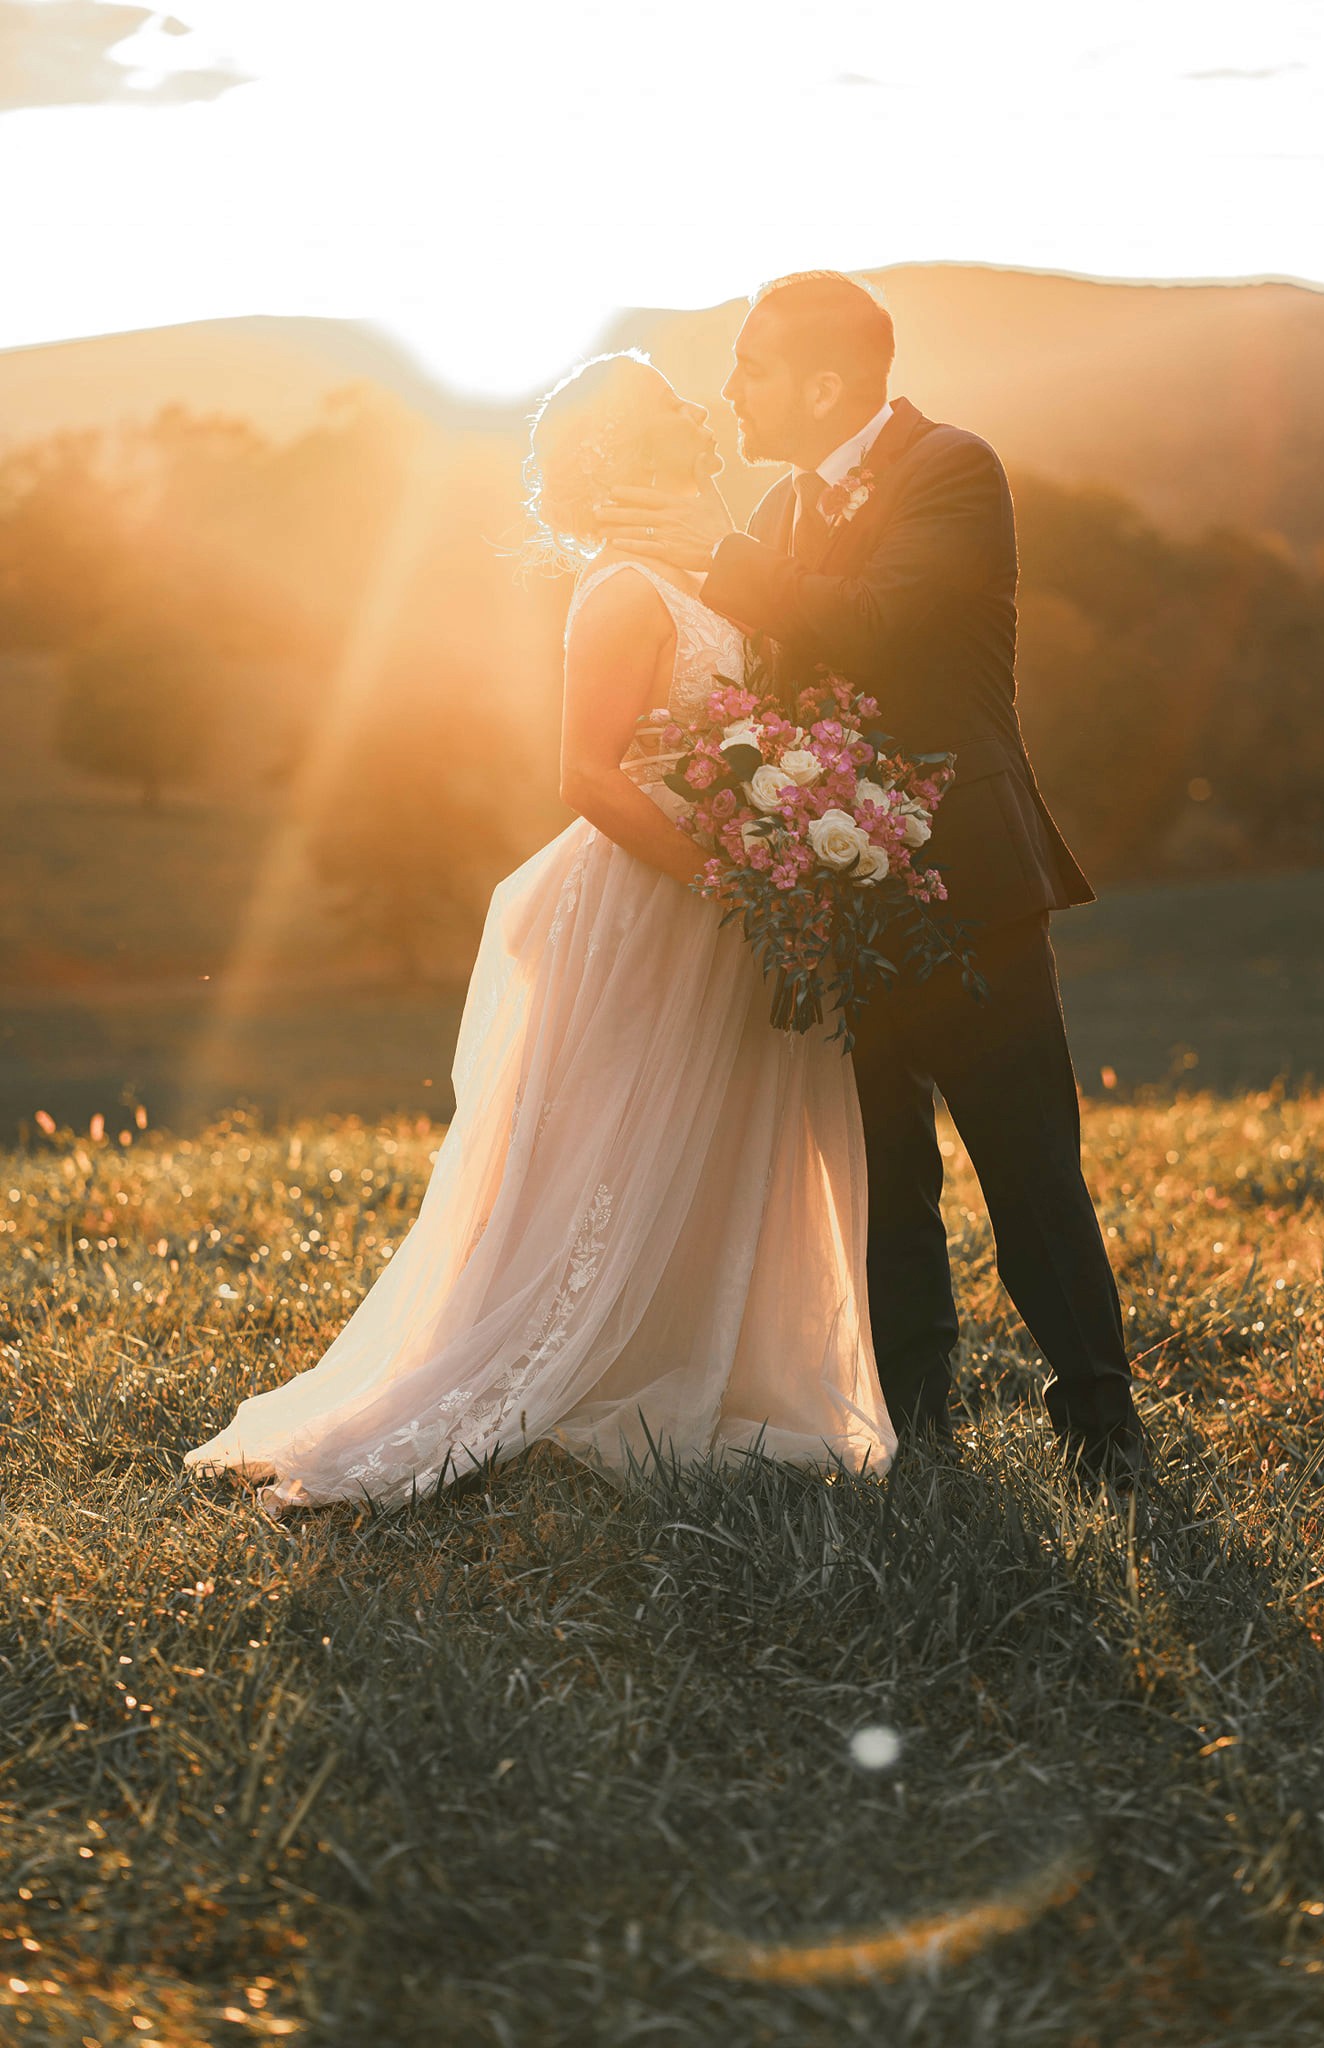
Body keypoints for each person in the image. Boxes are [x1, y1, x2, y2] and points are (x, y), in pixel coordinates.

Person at [184, 348, 896, 1512]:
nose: (702, 414)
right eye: (675, 405)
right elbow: (586, 773)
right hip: (647, 898)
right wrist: (731, 873)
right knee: (609, 1138)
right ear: (629, 442)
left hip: (718, 897)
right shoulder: (620, 589)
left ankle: (689, 1356)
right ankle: (546, 1365)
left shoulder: (702, 574)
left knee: (705, 1130)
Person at [597, 271, 1143, 1481]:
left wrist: (716, 555)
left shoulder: (954, 469)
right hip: (842, 890)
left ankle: (1103, 1424)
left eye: (752, 367)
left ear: (826, 381)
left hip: (971, 882)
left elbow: (884, 622)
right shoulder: (783, 516)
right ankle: (917, 1423)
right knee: (884, 1177)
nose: (733, 389)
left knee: (1029, 1165)